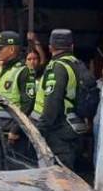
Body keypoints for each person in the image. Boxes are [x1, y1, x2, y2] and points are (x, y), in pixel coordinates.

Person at [32, 29, 84, 169]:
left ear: (50, 48)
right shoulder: (78, 64)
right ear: (72, 46)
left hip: (57, 130)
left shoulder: (57, 67)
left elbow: (52, 103)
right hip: (74, 126)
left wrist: (39, 131)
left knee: (58, 177)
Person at [0, 30, 35, 146]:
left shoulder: (24, 71)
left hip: (12, 131)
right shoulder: (1, 69)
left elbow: (27, 104)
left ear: (11, 49)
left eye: (0, 49)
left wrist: (15, 129)